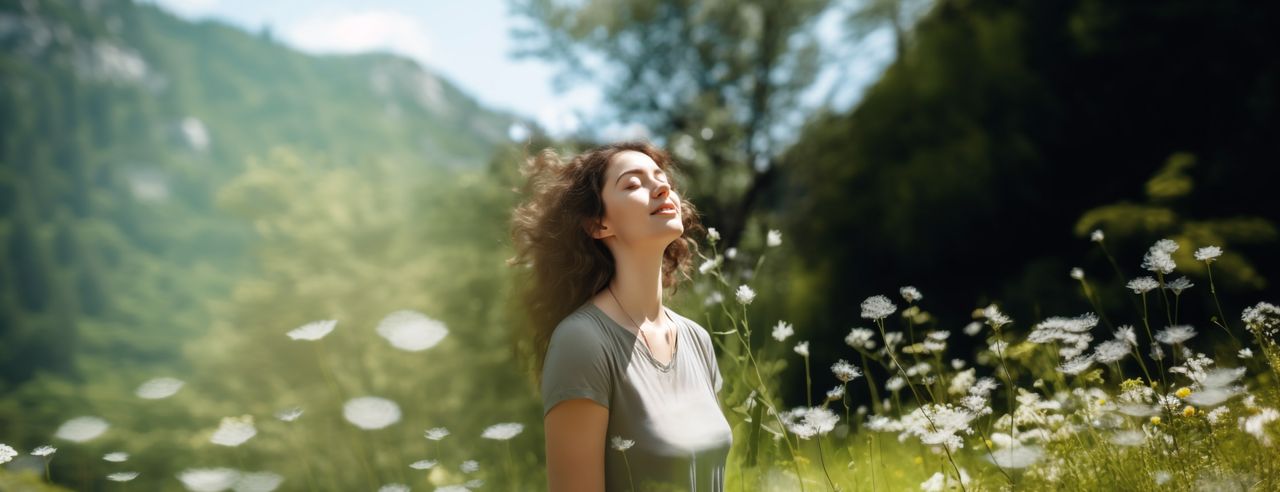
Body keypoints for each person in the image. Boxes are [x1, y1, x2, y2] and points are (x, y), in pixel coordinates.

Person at [509, 140, 732, 491]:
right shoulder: (582, 341)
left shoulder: (697, 340)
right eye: (632, 184)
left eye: (663, 179)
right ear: (598, 225)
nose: (661, 187)